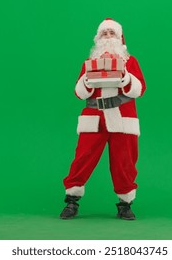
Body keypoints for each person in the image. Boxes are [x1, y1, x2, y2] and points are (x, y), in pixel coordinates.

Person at [60, 18, 146, 220]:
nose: (108, 37)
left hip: (122, 119)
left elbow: (140, 88)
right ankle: (71, 200)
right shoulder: (88, 63)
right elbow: (79, 92)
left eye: (112, 33)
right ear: (98, 38)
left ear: (120, 38)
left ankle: (125, 204)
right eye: (104, 34)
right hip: (94, 119)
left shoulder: (130, 62)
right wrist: (88, 80)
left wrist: (125, 77)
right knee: (82, 159)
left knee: (124, 162)